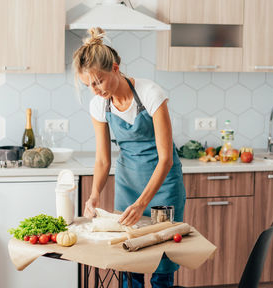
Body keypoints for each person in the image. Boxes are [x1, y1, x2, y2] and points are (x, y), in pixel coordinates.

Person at [72, 27, 186, 288]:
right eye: (88, 85)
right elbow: (102, 160)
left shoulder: (151, 94)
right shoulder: (99, 105)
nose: (95, 89)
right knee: (129, 262)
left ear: (115, 67)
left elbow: (166, 158)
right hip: (128, 186)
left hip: (164, 187)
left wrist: (142, 203)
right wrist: (94, 194)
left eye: (98, 80)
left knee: (162, 262)